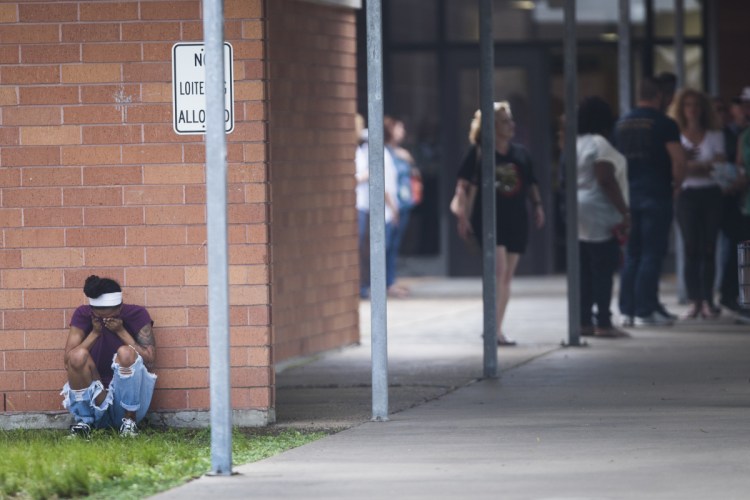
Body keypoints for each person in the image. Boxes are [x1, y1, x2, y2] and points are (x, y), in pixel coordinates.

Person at [452, 101, 545, 346]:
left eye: (510, 120)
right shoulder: (479, 151)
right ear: (491, 126)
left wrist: (538, 206)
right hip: (489, 220)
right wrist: (462, 215)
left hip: (516, 219)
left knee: (506, 278)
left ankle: (497, 328)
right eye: (504, 121)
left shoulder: (521, 153)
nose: (510, 125)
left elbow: (531, 183)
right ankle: (491, 329)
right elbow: (462, 185)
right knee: (499, 272)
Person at [614, 76, 686, 327]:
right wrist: (677, 185)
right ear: (658, 96)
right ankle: (646, 309)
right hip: (656, 193)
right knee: (652, 253)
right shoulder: (664, 123)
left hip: (628, 196)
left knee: (632, 253)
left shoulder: (621, 123)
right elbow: (678, 159)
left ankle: (629, 309)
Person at [62, 275, 156, 438]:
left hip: (126, 399)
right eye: (99, 316)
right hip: (95, 396)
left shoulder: (137, 313)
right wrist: (95, 333)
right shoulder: (83, 314)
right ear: (92, 311)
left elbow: (150, 360)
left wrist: (121, 331)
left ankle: (129, 423)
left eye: (110, 316)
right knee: (77, 356)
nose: (105, 320)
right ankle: (85, 421)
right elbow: (68, 360)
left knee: (125, 352)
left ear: (120, 308)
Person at [576, 97, 631, 338]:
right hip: (599, 212)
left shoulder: (575, 142)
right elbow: (605, 178)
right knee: (602, 269)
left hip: (577, 211)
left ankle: (584, 320)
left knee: (584, 270)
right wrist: (625, 211)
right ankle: (604, 322)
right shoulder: (601, 144)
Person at [669, 88, 726, 319]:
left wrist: (689, 165)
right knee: (691, 247)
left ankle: (708, 300)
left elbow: (719, 166)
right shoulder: (676, 135)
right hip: (687, 195)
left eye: (696, 105)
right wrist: (702, 166)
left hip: (711, 195)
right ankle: (694, 299)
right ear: (681, 109)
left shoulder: (714, 134)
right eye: (688, 105)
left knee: (710, 247)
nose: (692, 109)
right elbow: (675, 168)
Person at [355, 115, 400, 299]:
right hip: (364, 204)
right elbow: (381, 183)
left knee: (372, 247)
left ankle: (369, 284)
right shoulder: (366, 151)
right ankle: (367, 285)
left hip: (366, 205)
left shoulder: (370, 151)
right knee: (371, 248)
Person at [384, 116, 421, 298]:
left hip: (403, 204)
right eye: (399, 128)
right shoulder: (384, 153)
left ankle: (391, 281)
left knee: (395, 244)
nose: (402, 132)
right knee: (387, 244)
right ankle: (387, 282)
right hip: (391, 207)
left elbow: (413, 173)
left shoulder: (402, 153)